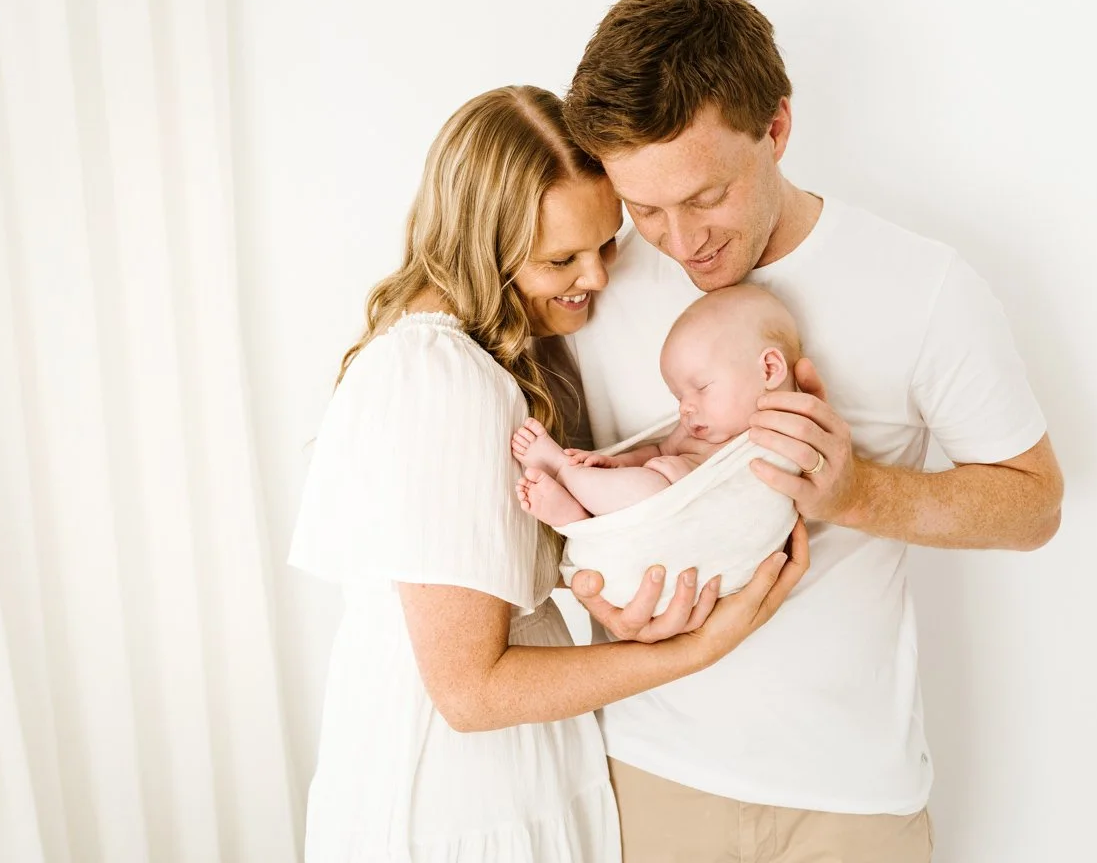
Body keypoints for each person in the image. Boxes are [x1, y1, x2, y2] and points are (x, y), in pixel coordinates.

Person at [561, 0, 1066, 862]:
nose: (680, 242)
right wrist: (600, 597)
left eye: (707, 194)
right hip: (644, 774)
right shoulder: (590, 292)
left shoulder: (925, 287)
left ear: (778, 128)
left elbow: (1034, 508)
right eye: (645, 208)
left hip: (851, 801)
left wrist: (861, 492)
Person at [287, 84, 808, 862]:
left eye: (605, 246)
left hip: (475, 782)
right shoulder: (446, 378)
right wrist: (688, 652)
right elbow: (470, 691)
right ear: (479, 242)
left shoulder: (454, 359)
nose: (594, 279)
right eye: (560, 258)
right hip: (463, 800)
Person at [512, 284, 802, 523]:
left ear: (769, 370)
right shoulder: (693, 430)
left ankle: (565, 476)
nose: (685, 408)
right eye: (679, 397)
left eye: (701, 387)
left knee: (648, 490)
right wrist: (617, 463)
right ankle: (575, 510)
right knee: (641, 487)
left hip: (683, 517)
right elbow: (660, 449)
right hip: (650, 509)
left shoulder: (789, 432)